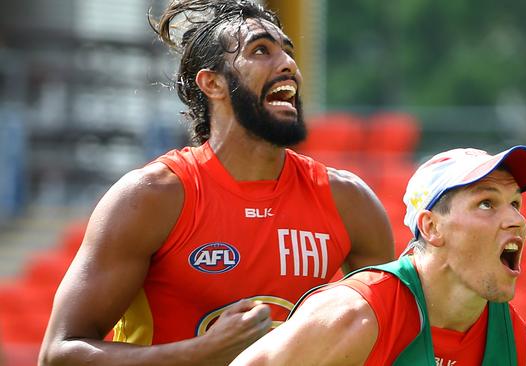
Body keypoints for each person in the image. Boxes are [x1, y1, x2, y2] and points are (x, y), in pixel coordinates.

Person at [38, 1, 394, 365]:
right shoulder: (152, 197)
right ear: (213, 83)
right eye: (261, 51)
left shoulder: (349, 202)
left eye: (288, 52)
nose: (288, 65)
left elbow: (394, 339)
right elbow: (59, 354)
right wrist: (204, 352)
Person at [231, 145, 526, 365]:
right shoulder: (354, 317)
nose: (516, 219)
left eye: (515, 203)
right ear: (431, 227)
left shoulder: (523, 352)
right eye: (487, 203)